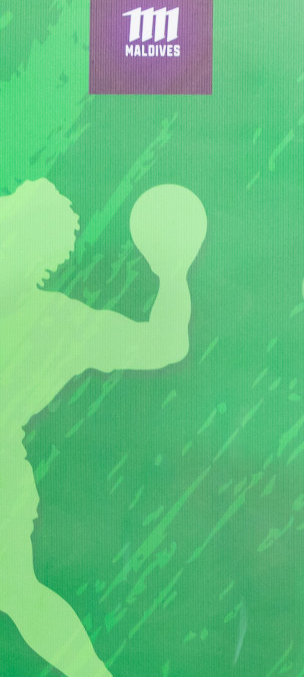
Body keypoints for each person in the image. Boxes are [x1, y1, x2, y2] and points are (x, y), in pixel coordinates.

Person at [0, 180, 206, 677]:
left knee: (19, 595)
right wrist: (173, 272)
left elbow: (163, 345)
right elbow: (164, 344)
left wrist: (174, 270)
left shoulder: (56, 322)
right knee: (19, 595)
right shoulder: (59, 323)